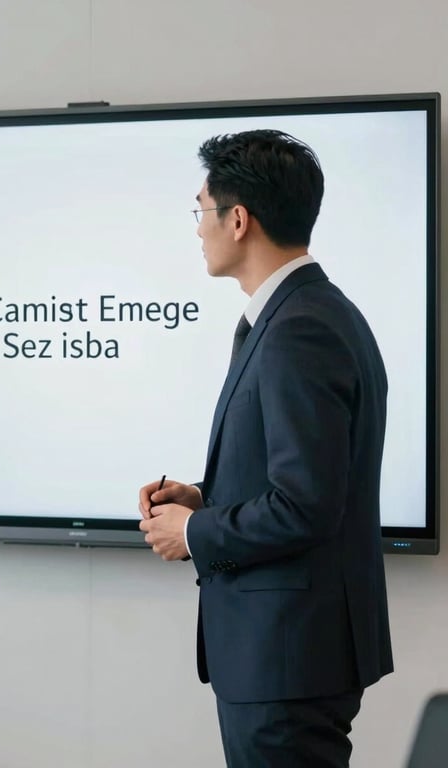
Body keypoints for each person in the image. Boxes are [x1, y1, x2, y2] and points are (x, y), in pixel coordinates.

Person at [138, 130, 393, 768]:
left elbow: (306, 505)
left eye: (201, 210)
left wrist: (195, 531)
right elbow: (304, 477)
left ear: (240, 219)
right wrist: (204, 496)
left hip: (287, 657)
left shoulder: (300, 327)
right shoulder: (309, 313)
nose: (198, 229)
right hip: (288, 653)